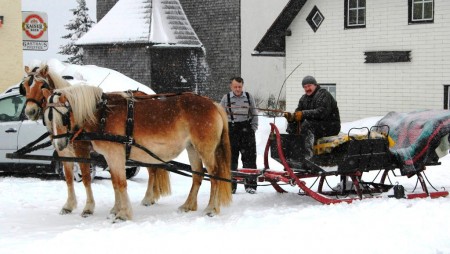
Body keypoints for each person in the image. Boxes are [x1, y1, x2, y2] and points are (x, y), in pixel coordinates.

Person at [284, 75, 340, 163]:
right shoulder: (303, 98)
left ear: (315, 85)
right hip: (316, 125)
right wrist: (292, 118)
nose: (307, 89)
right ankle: (294, 152)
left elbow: (322, 112)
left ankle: (308, 156)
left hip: (330, 126)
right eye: (305, 87)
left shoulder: (323, 94)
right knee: (292, 125)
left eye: (309, 86)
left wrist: (303, 114)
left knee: (307, 125)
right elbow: (298, 112)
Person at [220, 77, 258, 194]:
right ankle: (231, 186)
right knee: (231, 159)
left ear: (243, 86)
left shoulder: (248, 96)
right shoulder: (226, 98)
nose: (238, 89)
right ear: (231, 86)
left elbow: (254, 113)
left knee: (249, 158)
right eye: (235, 87)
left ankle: (250, 185)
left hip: (246, 130)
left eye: (240, 86)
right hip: (232, 130)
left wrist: (253, 128)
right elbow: (220, 115)